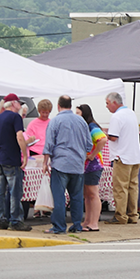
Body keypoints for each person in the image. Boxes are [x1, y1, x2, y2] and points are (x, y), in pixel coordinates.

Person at [42, 95, 92, 234]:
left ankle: (59, 226)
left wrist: (45, 163)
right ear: (71, 105)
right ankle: (76, 225)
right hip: (77, 165)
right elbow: (89, 145)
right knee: (76, 197)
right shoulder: (81, 121)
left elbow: (49, 145)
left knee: (59, 196)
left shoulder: (55, 121)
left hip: (61, 164)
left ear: (58, 106)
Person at [0, 93, 32, 231]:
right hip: (12, 158)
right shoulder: (15, 117)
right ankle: (16, 221)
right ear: (13, 103)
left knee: (0, 191)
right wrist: (25, 155)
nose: (20, 105)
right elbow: (19, 136)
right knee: (15, 191)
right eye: (19, 103)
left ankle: (0, 219)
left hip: (1, 158)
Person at [105, 92, 140, 225]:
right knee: (133, 187)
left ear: (114, 103)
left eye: (108, 103)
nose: (107, 106)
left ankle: (120, 215)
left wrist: (105, 133)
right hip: (135, 155)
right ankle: (133, 214)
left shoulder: (116, 116)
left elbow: (114, 137)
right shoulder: (131, 113)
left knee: (120, 187)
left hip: (122, 156)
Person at [76, 104, 107, 232]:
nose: (76, 115)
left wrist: (93, 155)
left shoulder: (92, 127)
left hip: (93, 166)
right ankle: (87, 220)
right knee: (87, 195)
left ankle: (94, 222)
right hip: (86, 166)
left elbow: (102, 139)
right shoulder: (85, 127)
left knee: (93, 194)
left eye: (78, 113)